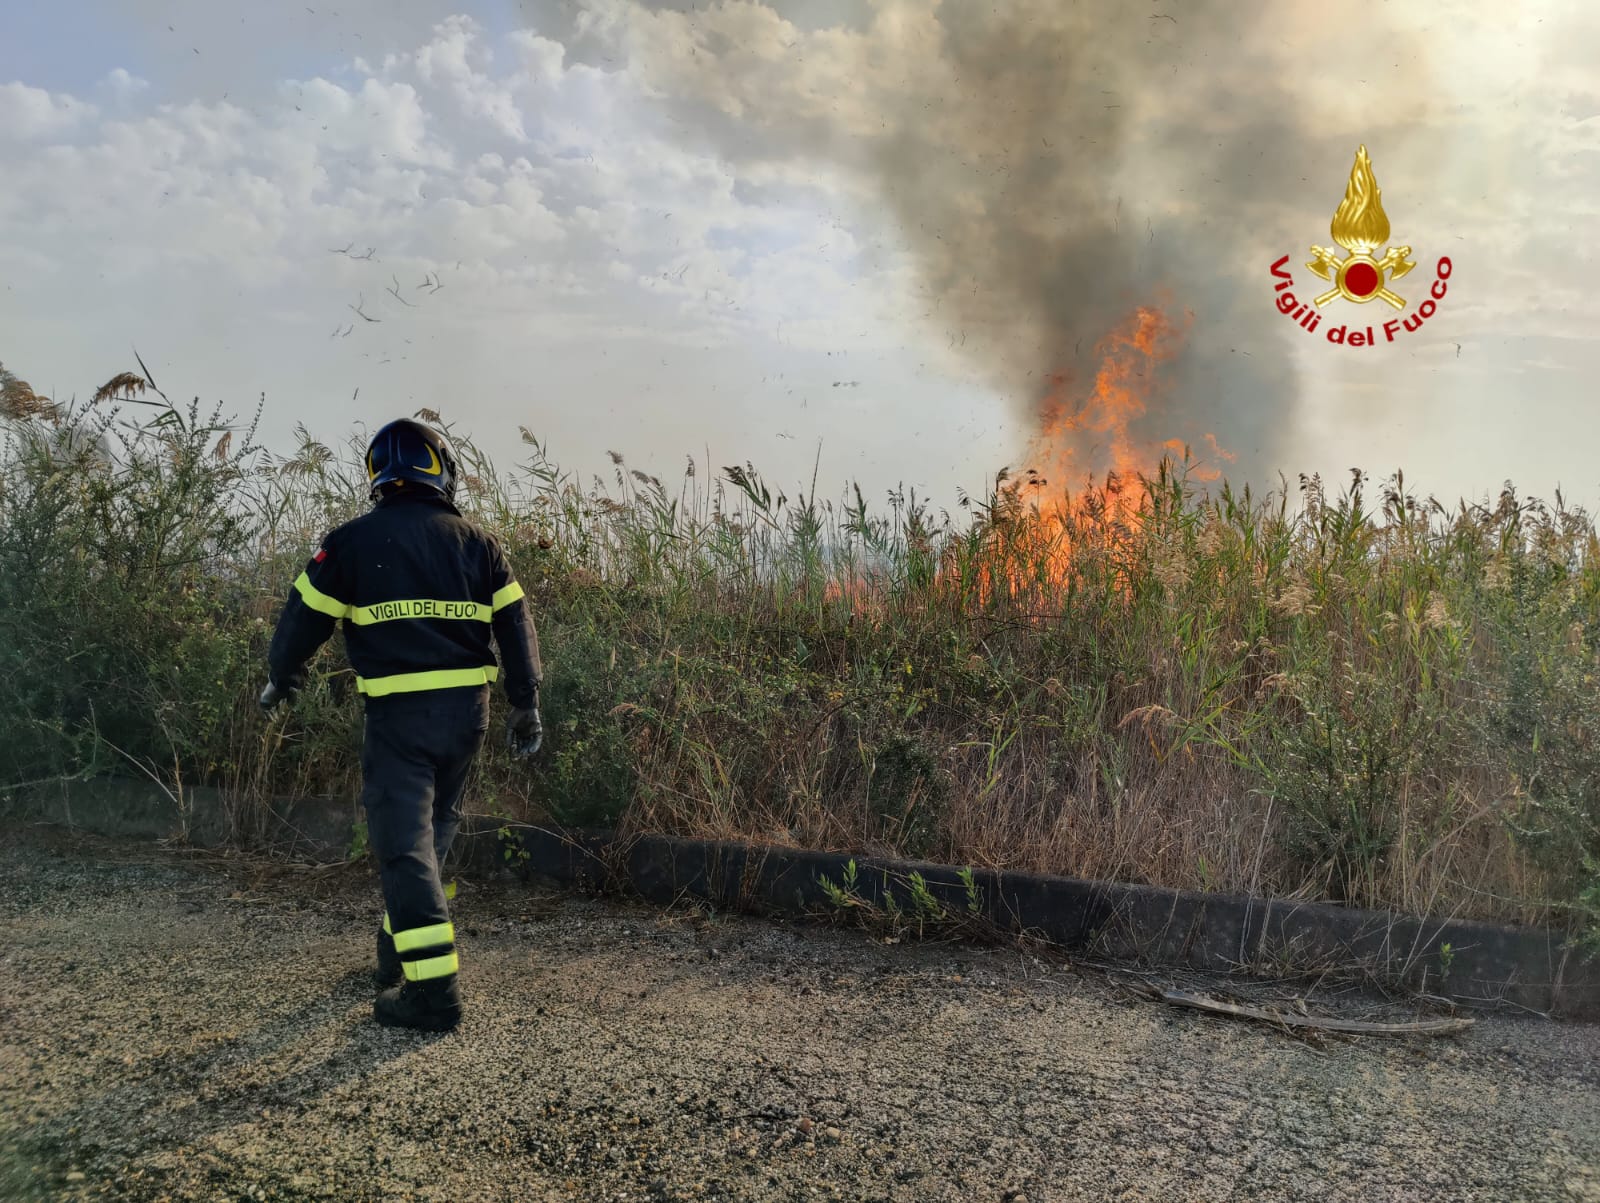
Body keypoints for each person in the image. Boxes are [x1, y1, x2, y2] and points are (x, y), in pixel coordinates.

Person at [259, 418, 543, 1031]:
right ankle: (397, 949)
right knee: (435, 827)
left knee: (403, 845)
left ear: (377, 477)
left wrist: (281, 675)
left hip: (397, 720)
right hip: (468, 716)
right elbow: (516, 625)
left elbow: (303, 616)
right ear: (440, 468)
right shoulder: (479, 543)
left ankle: (434, 992)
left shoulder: (350, 543)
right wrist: (527, 702)